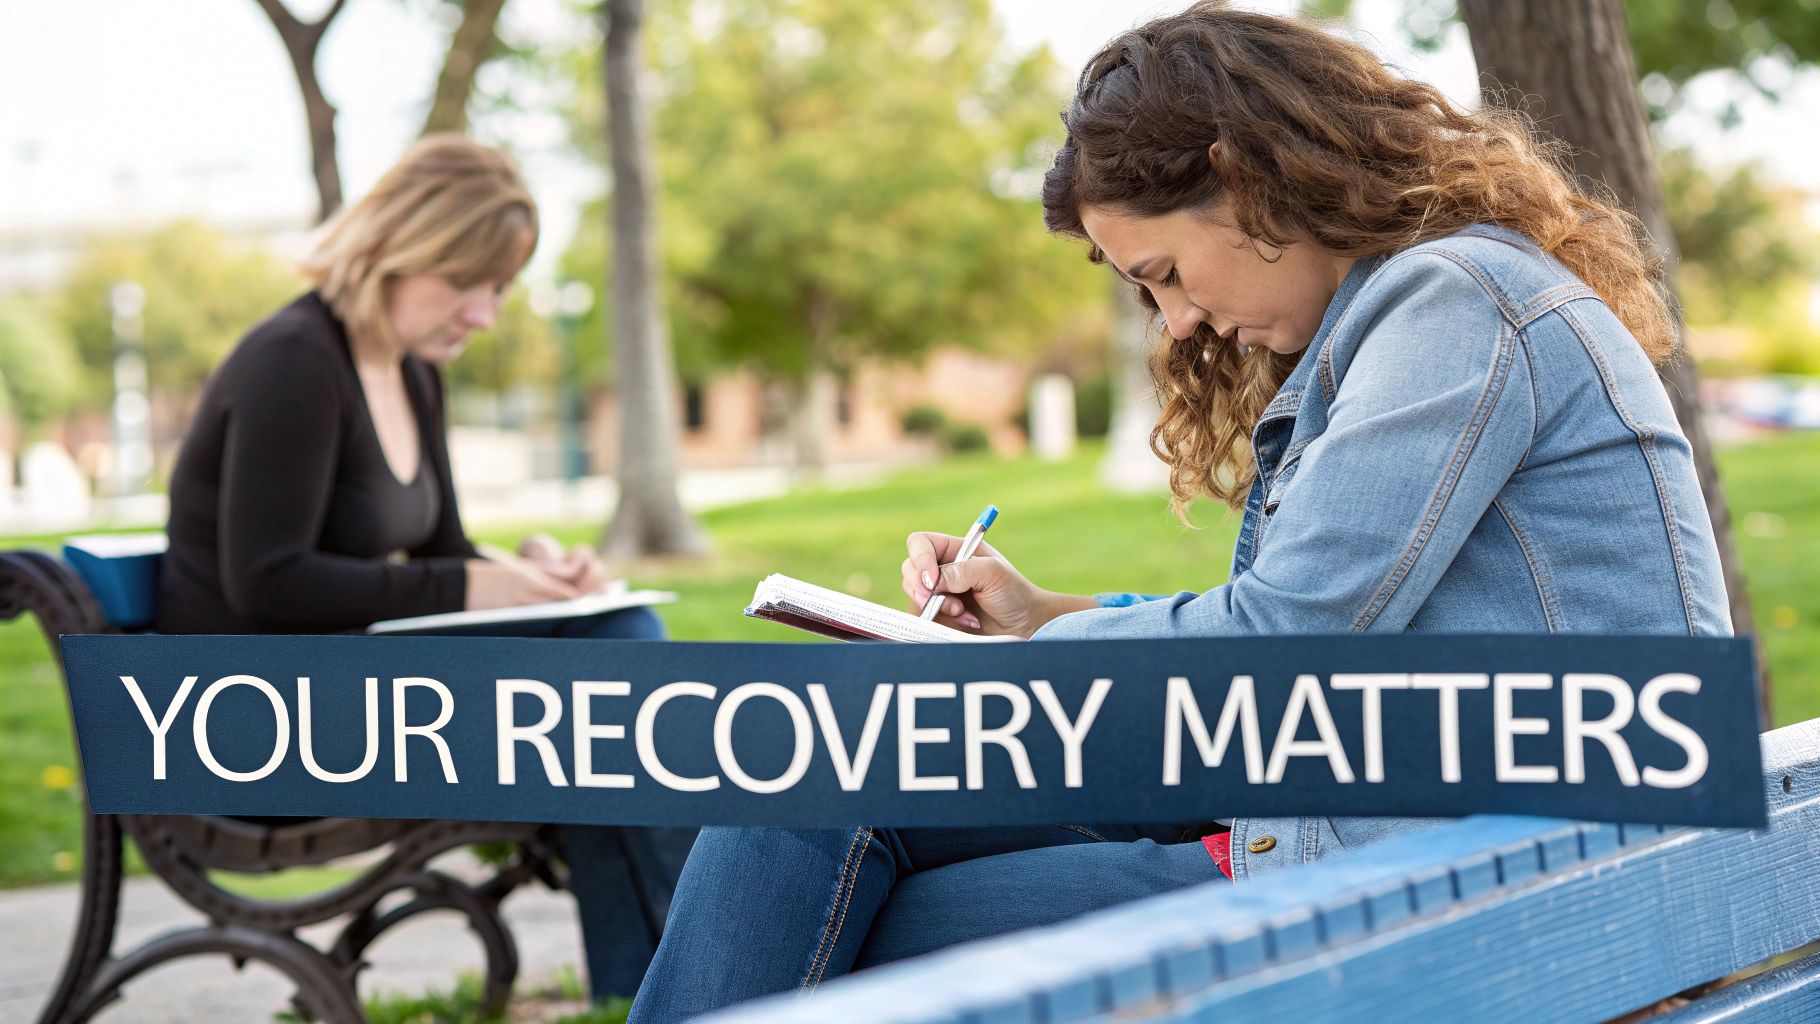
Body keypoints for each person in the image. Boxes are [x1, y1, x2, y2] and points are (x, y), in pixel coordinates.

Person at [627, 4, 1730, 1020]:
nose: (1177, 322)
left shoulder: (1453, 303)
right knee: (818, 766)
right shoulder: (1423, 305)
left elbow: (1279, 642)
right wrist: (1034, 614)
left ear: (1243, 181)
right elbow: (1304, 618)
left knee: (859, 929)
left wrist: (1034, 654)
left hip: (1468, 882)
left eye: (1159, 272)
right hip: (1384, 816)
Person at [156, 134, 692, 1000]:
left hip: (343, 696)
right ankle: (711, 980)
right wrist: (477, 584)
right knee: (614, 669)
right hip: (253, 725)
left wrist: (540, 571)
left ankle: (649, 995)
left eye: (500, 290)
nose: (484, 314)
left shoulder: (412, 373)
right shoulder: (294, 361)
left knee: (608, 662)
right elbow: (269, 579)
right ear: (400, 253)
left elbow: (444, 553)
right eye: (467, 284)